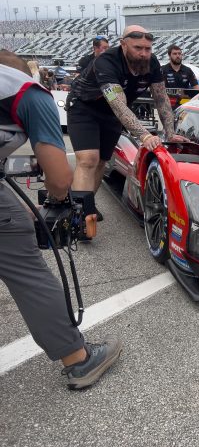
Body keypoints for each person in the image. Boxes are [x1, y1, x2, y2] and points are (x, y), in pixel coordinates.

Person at [0, 50, 122, 390]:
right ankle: (79, 359)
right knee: (29, 275)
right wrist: (53, 204)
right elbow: (59, 178)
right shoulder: (27, 91)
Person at [67, 25, 187, 222]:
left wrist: (170, 132)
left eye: (147, 49)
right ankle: (78, 215)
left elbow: (160, 97)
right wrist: (145, 135)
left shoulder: (152, 62)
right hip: (85, 107)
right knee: (88, 159)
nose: (143, 54)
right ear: (123, 45)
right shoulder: (106, 61)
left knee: (102, 161)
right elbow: (117, 103)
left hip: (112, 115)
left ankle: (87, 205)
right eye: (137, 48)